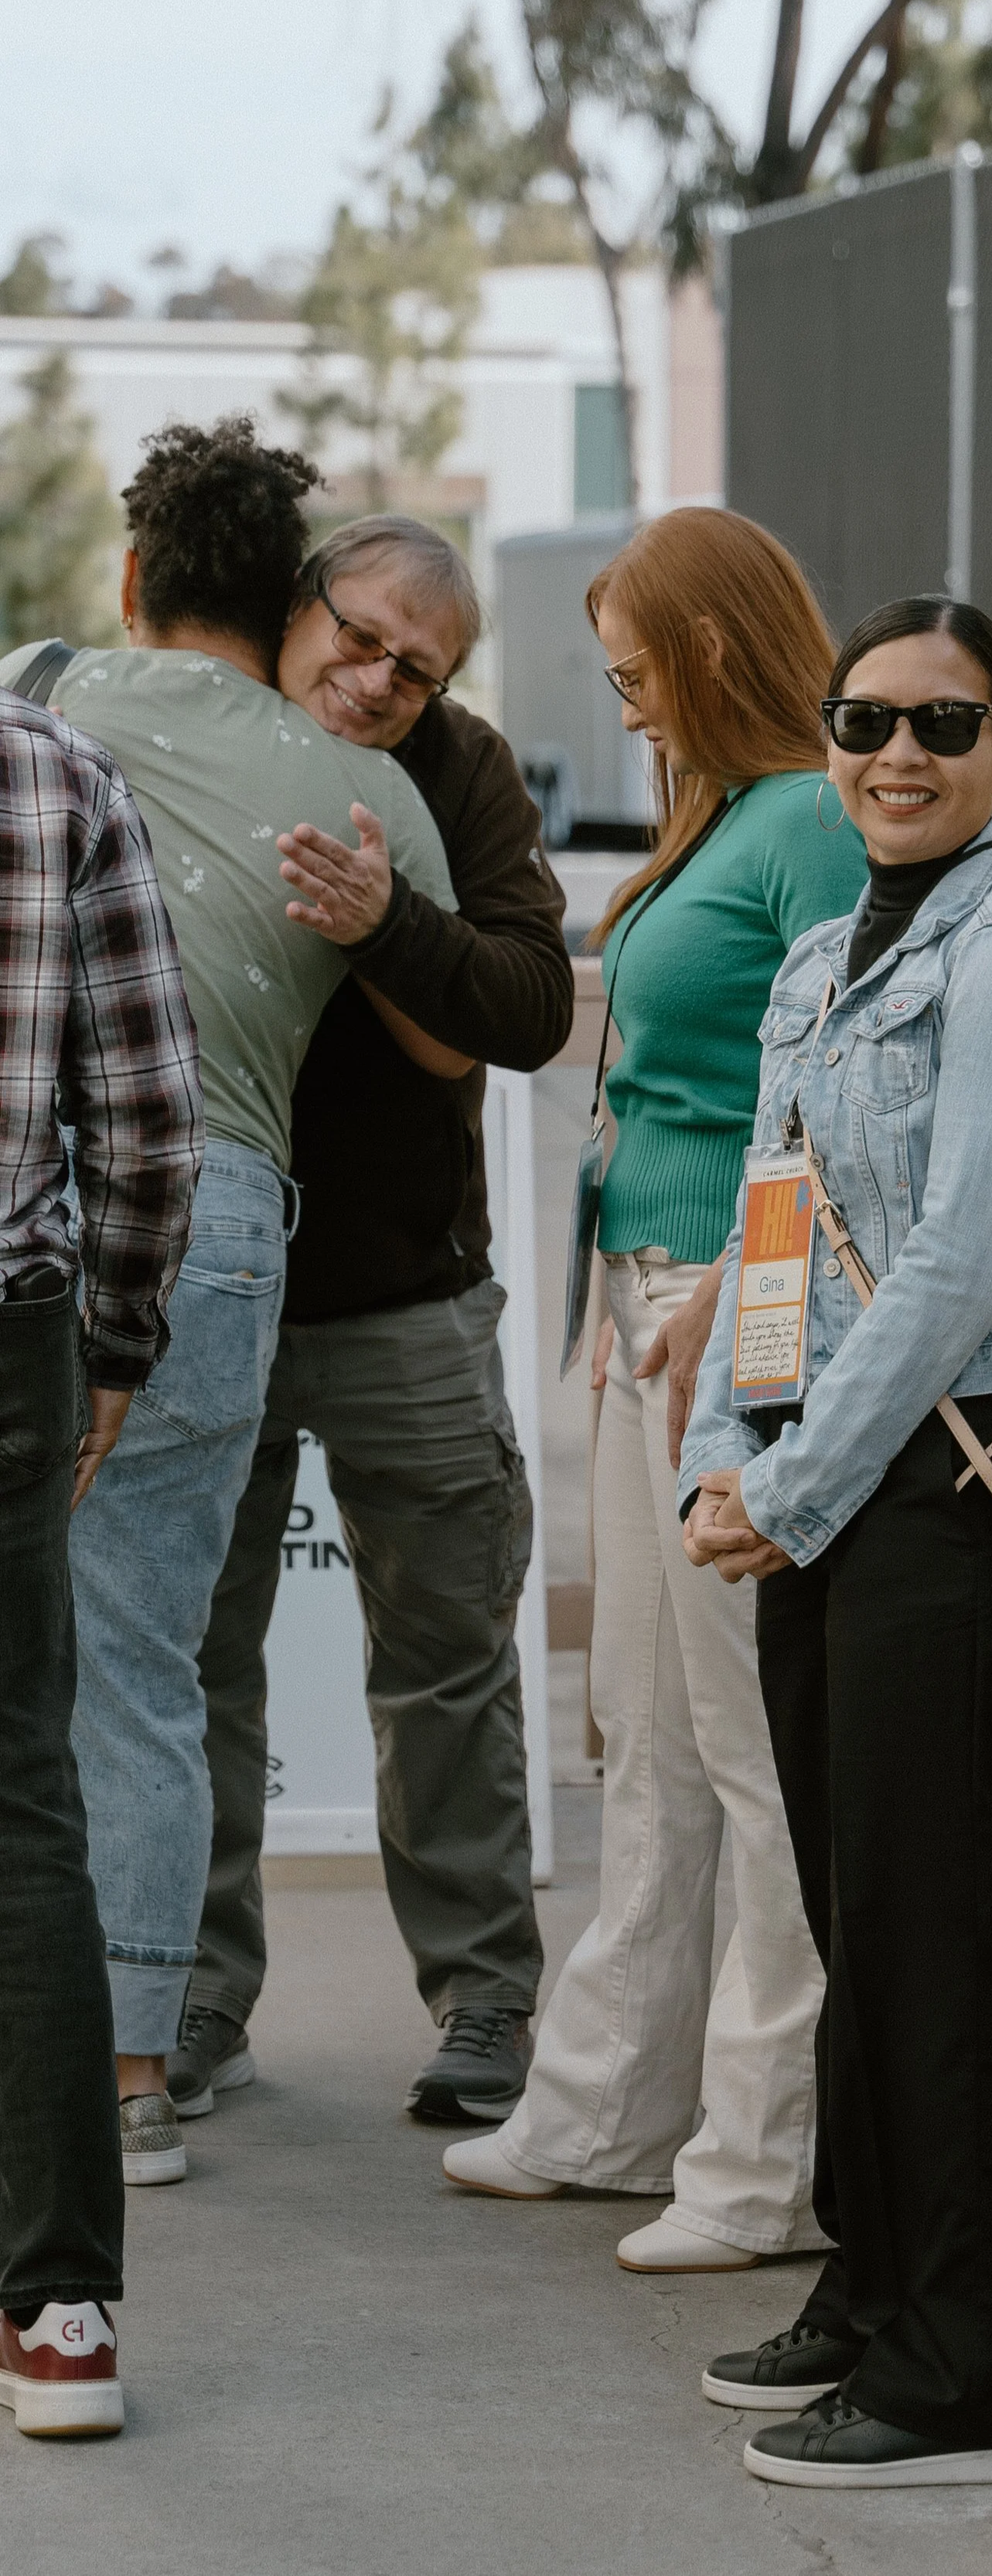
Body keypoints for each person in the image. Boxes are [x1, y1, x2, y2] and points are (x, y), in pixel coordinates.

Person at [679, 597, 992, 2487]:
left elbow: (952, 1270)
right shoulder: (825, 954)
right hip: (825, 1484)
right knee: (856, 1913)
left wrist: (786, 1492)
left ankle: (968, 2378)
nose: (899, 756)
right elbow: (769, 1219)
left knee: (933, 1938)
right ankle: (872, 2291)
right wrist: (725, 1446)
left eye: (944, 723)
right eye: (866, 722)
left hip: (949, 1485)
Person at [0, 417, 459, 2191]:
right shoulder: (368, 795)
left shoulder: (35, 697)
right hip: (220, 1217)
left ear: (131, 576)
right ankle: (132, 2070)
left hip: (23, 1197)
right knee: (142, 1662)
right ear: (286, 609)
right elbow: (448, 1027)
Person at [440, 507, 868, 2276]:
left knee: (746, 1744)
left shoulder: (807, 824)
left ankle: (762, 2165)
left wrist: (744, 1299)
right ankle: (612, 2106)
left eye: (631, 673)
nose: (618, 706)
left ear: (704, 648)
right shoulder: (725, 814)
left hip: (732, 1309)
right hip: (649, 1299)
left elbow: (840, 1100)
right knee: (643, 1718)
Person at [176, 516, 571, 2132]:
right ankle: (191, 1996)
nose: (378, 679)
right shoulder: (185, 730)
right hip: (203, 1287)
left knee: (446, 1661)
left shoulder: (462, 775)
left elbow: (527, 1007)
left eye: (419, 667)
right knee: (196, 1659)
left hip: (407, 1289)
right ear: (298, 608)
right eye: (358, 635)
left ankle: (482, 1999)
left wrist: (383, 922)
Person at [0, 688, 200, 2437]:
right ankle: (57, 2310)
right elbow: (143, 1111)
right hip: (3, 1337)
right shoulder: (52, 771)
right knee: (19, 1802)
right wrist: (116, 1337)